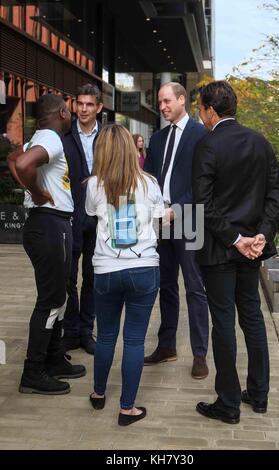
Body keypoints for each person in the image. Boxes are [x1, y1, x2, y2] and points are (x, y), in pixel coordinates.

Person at [192, 80, 279, 424]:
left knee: (223, 324)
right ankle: (259, 396)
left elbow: (202, 203)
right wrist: (261, 234)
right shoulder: (260, 142)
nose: (200, 115)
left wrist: (237, 238)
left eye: (201, 109)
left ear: (211, 111)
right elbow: (276, 194)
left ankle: (229, 404)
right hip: (250, 251)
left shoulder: (208, 145)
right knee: (252, 318)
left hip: (221, 251)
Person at [7, 94, 86, 395]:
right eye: (71, 109)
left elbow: (14, 158)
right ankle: (33, 371)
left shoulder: (40, 136)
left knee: (60, 295)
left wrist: (33, 189)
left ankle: (53, 359)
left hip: (49, 225)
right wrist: (38, 193)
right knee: (51, 299)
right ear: (63, 112)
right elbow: (24, 163)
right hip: (50, 223)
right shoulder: (52, 138)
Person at [86, 124, 164, 426]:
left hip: (106, 270)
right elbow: (161, 221)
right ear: (133, 150)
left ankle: (97, 393)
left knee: (105, 336)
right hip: (143, 268)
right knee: (134, 340)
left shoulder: (93, 185)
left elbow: (93, 213)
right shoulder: (149, 183)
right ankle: (127, 408)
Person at [144, 82, 209, 379]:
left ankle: (200, 355)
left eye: (167, 101)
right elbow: (151, 179)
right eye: (159, 102)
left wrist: (177, 209)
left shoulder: (200, 134)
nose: (162, 106)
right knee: (166, 284)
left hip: (190, 215)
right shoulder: (157, 139)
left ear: (183, 99)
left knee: (195, 287)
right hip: (162, 217)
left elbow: (203, 183)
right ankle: (167, 345)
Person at [62, 84, 103, 355]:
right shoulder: (63, 137)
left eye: (90, 104)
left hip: (99, 217)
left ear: (99, 107)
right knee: (68, 276)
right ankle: (71, 329)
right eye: (80, 104)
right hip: (71, 215)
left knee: (93, 277)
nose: (84, 109)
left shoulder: (109, 137)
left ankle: (87, 330)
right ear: (74, 105)